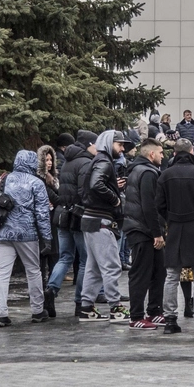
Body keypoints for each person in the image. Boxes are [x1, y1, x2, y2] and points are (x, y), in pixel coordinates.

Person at [157, 138, 194, 333]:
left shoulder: (165, 175)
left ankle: (169, 320)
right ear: (192, 151)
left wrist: (170, 219)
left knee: (171, 275)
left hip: (174, 226)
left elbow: (159, 205)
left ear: (174, 153)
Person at [0, 150, 52, 327]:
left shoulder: (2, 179)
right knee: (33, 270)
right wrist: (47, 238)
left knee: (2, 272)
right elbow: (42, 213)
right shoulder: (36, 183)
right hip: (26, 233)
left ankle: (1, 314)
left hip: (2, 232)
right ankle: (37, 310)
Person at [78, 130, 130, 323]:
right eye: (120, 144)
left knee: (94, 268)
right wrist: (115, 198)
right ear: (109, 143)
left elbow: (94, 184)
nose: (122, 149)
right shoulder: (104, 162)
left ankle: (86, 307)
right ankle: (115, 308)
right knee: (112, 266)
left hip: (91, 219)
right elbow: (96, 184)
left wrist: (113, 188)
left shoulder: (98, 160)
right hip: (101, 221)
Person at [47, 131, 96, 318]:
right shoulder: (85, 162)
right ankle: (80, 301)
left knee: (65, 257)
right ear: (89, 144)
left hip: (63, 215)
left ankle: (51, 289)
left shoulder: (67, 161)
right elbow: (84, 192)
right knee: (85, 260)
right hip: (78, 216)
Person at [124, 139, 168, 330]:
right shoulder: (148, 173)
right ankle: (136, 317)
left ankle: (154, 311)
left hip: (143, 229)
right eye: (160, 152)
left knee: (158, 271)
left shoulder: (138, 170)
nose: (162, 156)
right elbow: (150, 206)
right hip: (143, 231)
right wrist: (157, 233)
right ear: (151, 154)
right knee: (141, 274)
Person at [35, 145, 61, 316]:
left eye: (51, 159)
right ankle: (44, 300)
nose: (49, 163)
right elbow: (56, 198)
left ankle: (49, 298)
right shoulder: (39, 180)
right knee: (41, 263)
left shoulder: (54, 178)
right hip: (42, 225)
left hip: (53, 223)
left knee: (54, 260)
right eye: (46, 160)